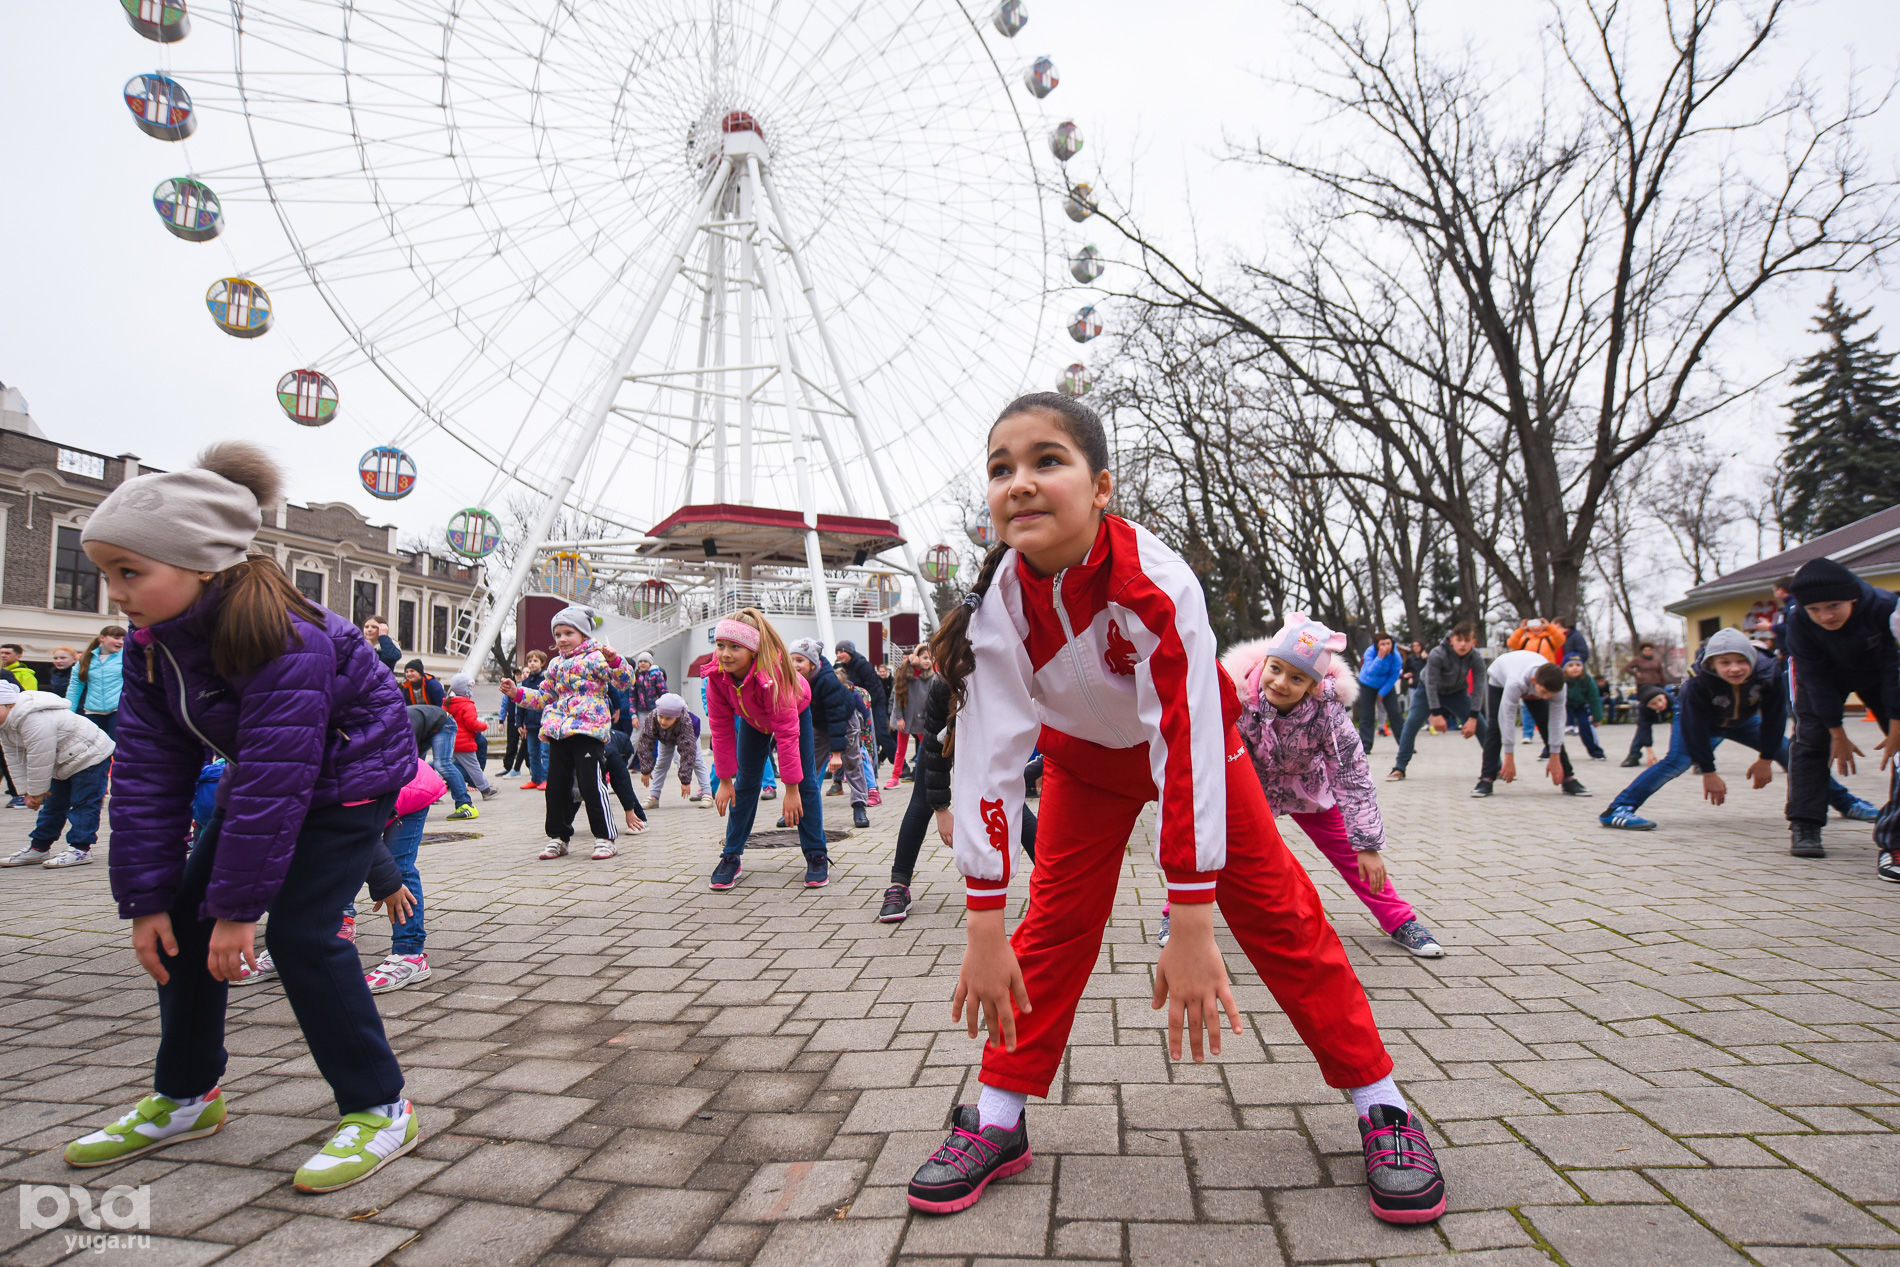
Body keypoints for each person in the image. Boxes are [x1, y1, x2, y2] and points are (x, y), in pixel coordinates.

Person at [906, 392, 1444, 1225]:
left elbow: (1187, 740)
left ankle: (1385, 1106)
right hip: (1086, 767)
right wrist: (983, 919)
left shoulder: (1155, 580)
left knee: (1283, 916)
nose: (1020, 481)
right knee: (1050, 927)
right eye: (1001, 468)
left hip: (1201, 753)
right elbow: (990, 757)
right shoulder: (998, 609)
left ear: (1102, 485)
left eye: (1048, 460)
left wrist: (1192, 919)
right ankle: (999, 1118)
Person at [63, 441, 420, 1194]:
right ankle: (188, 1096)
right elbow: (151, 774)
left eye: (130, 572)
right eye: (105, 573)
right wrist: (148, 899)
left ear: (201, 563)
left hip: (350, 782)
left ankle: (380, 1105)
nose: (114, 593)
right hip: (275, 779)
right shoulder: (152, 647)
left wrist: (238, 911)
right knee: (183, 926)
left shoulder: (283, 636)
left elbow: (276, 779)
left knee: (300, 934)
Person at [1222, 618, 1443, 956]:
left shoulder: (1328, 712)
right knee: (1215, 840)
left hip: (1309, 787)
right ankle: (1175, 915)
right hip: (1253, 786)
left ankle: (1400, 920)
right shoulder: (1237, 700)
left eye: (1296, 677)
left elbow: (1352, 774)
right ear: (1265, 662)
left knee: (1355, 855)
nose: (1280, 682)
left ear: (1313, 683)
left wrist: (1368, 845)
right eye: (1276, 668)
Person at [1600, 627, 1876, 833]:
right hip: (1703, 721)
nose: (1735, 669)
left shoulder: (1768, 674)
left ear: (1752, 660)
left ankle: (1846, 802)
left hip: (1742, 720)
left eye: (1741, 661)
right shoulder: (1696, 684)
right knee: (1677, 761)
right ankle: (1618, 809)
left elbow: (1774, 718)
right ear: (1712, 664)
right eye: (1725, 663)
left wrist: (1766, 758)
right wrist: (1708, 771)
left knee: (1792, 754)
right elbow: (1694, 729)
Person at [1780, 557, 1900, 870]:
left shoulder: (1885, 607)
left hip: (1879, 674)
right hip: (1825, 678)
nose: (1825, 616)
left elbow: (1895, 670)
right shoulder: (1798, 621)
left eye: (1833, 605)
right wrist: (1838, 733)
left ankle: (1894, 831)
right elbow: (1813, 678)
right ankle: (1805, 824)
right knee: (1810, 741)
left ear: (1853, 597)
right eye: (1815, 609)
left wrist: (1896, 728)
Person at [500, 605, 635, 861]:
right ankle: (558, 837)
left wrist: (615, 660)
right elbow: (543, 697)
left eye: (568, 633)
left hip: (588, 730)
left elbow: (624, 681)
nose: (561, 639)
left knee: (591, 785)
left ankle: (605, 837)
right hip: (557, 732)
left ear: (583, 635)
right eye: (558, 634)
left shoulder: (597, 657)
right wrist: (516, 693)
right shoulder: (554, 665)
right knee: (557, 788)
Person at [707, 609, 828, 891]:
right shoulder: (716, 676)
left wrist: (791, 790)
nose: (725, 654)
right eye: (720, 644)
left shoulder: (774, 677)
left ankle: (816, 853)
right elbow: (721, 729)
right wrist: (725, 781)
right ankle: (731, 856)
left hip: (794, 711)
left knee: (806, 782)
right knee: (746, 784)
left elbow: (787, 736)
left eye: (735, 647)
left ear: (753, 651)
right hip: (753, 720)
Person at [0, 679, 115, 869]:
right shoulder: (5, 726)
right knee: (53, 805)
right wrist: (25, 792)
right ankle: (39, 847)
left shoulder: (33, 719)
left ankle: (80, 848)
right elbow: (14, 758)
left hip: (90, 755)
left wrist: (36, 792)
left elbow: (40, 758)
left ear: (7, 704)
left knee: (84, 803)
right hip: (63, 761)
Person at [1472, 649, 1587, 798]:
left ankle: (1568, 778)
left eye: (1550, 695)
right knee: (1495, 727)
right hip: (1500, 678)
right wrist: (1509, 757)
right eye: (1544, 693)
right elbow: (1507, 718)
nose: (1546, 698)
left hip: (1531, 676)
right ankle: (1486, 779)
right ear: (1534, 682)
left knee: (1545, 725)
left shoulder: (1559, 687)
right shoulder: (1515, 682)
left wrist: (1554, 756)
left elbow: (1557, 721)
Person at [1387, 623, 1486, 781]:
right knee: (1411, 724)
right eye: (1459, 640)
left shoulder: (1475, 657)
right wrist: (1436, 713)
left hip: (1457, 692)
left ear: (1473, 642)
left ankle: (1495, 766)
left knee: (1482, 725)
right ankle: (1399, 767)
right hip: (1427, 691)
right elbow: (1431, 684)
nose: (1463, 644)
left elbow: (1479, 686)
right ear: (1452, 640)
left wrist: (1473, 717)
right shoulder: (1437, 653)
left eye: (1467, 641)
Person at [790, 639, 870, 830]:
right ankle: (799, 810)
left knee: (852, 762)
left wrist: (836, 754)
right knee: (810, 766)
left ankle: (859, 805)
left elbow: (836, 716)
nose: (795, 665)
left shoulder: (827, 680)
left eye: (800, 660)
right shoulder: (795, 680)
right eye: (792, 660)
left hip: (844, 721)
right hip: (819, 724)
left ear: (812, 663)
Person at [636, 692, 707, 808]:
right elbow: (645, 743)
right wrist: (645, 769)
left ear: (677, 717)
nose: (663, 721)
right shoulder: (652, 718)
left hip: (690, 736)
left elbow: (687, 753)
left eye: (668, 718)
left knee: (697, 761)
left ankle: (707, 793)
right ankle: (654, 797)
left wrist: (685, 781)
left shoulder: (686, 723)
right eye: (661, 717)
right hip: (665, 737)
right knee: (661, 764)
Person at [408, 703, 476, 820]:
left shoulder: (403, 726)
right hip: (426, 728)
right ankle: (416, 806)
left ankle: (466, 806)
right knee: (416, 766)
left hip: (444, 724)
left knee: (443, 764)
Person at [834, 640, 890, 778]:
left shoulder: (862, 665)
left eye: (842, 651)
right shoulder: (842, 666)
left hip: (871, 703)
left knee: (878, 735)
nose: (840, 654)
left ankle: (878, 770)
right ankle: (839, 776)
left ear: (850, 652)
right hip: (854, 704)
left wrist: (867, 707)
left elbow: (874, 687)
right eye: (838, 652)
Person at [443, 674, 500, 803]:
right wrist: (484, 725)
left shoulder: (447, 703)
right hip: (464, 744)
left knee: (443, 767)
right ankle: (486, 790)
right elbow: (472, 724)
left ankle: (430, 789)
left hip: (449, 742)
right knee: (474, 768)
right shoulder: (467, 705)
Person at [67, 625, 127, 742]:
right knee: (94, 748)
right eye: (116, 638)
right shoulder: (86, 659)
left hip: (118, 710)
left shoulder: (126, 657)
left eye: (123, 639)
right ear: (102, 638)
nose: (120, 642)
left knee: (117, 745)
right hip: (92, 711)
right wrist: (69, 713)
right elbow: (75, 687)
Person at [1621, 642, 1671, 766]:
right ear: (1642, 650)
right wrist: (1636, 674)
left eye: (1650, 649)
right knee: (1644, 723)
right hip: (1644, 690)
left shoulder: (1657, 659)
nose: (1648, 652)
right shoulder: (1637, 660)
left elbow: (1661, 672)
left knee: (1678, 723)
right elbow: (1627, 668)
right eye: (1646, 649)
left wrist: (1663, 685)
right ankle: (1634, 755)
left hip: (1658, 688)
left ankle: (1686, 756)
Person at [1353, 633, 1405, 753]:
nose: (1386, 646)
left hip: (1386, 684)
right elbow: (1370, 671)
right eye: (1382, 644)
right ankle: (1365, 746)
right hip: (1367, 683)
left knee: (1395, 714)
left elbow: (1394, 675)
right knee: (1367, 715)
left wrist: (1383, 692)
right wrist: (1380, 658)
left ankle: (1404, 745)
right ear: (1377, 645)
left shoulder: (1396, 656)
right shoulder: (1370, 652)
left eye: (1388, 643)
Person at [1562, 657, 1607, 761]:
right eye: (1571, 665)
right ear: (1564, 669)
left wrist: (1597, 718)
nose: (1575, 668)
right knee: (1555, 728)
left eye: (1578, 665)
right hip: (1563, 706)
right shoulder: (1560, 680)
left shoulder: (1587, 680)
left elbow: (1594, 699)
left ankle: (1595, 751)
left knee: (1585, 726)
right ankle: (1548, 751)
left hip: (1580, 706)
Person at [516, 650, 549, 789]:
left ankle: (547, 779)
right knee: (532, 753)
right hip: (530, 723)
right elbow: (520, 704)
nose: (532, 663)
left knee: (545, 752)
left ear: (542, 663)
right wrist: (519, 722)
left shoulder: (546, 680)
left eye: (535, 661)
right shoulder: (525, 682)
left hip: (544, 722)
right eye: (530, 661)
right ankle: (535, 778)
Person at [630, 651, 667, 734]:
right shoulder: (636, 676)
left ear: (650, 663)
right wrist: (633, 715)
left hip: (655, 710)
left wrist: (662, 710)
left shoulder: (656, 675)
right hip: (640, 712)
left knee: (658, 734)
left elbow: (663, 692)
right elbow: (632, 697)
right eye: (640, 661)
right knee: (635, 736)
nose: (642, 663)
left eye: (645, 661)